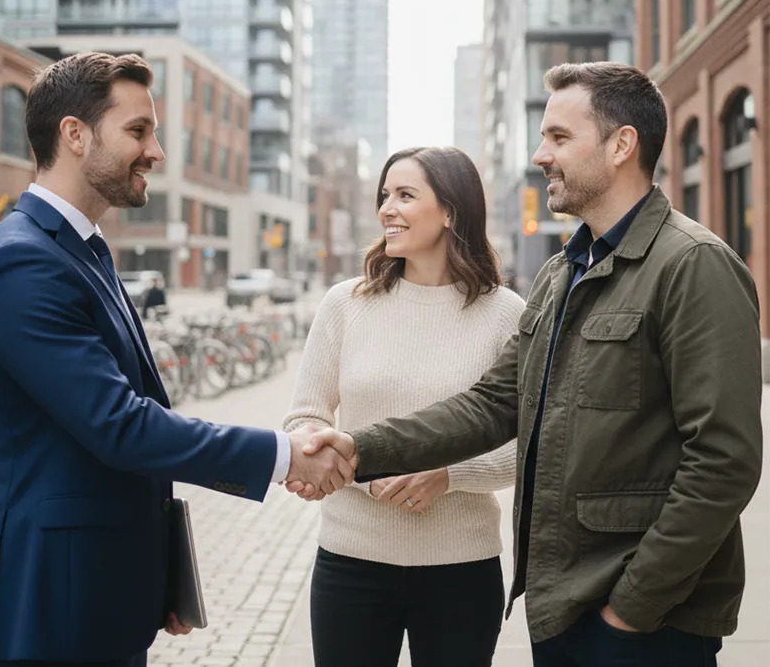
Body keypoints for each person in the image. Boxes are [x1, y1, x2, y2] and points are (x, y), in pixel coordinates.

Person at [295, 62, 763, 667]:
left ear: (621, 145)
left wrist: (633, 606)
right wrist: (360, 447)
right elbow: (493, 404)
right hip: (562, 605)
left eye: (559, 138)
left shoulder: (693, 264)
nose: (541, 155)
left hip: (644, 622)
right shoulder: (561, 274)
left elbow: (723, 462)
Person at [0, 51, 352, 667]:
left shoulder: (82, 250)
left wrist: (154, 570)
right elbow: (120, 425)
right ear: (75, 134)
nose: (156, 152)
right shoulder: (22, 261)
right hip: (49, 602)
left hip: (98, 588)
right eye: (138, 130)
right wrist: (284, 455)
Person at [282, 146, 524, 667]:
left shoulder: (507, 314)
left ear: (451, 211)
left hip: (461, 568)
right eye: (385, 195)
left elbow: (530, 441)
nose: (386, 209)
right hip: (351, 562)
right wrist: (356, 470)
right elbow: (306, 416)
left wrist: (450, 474)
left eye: (405, 195)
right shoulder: (345, 303)